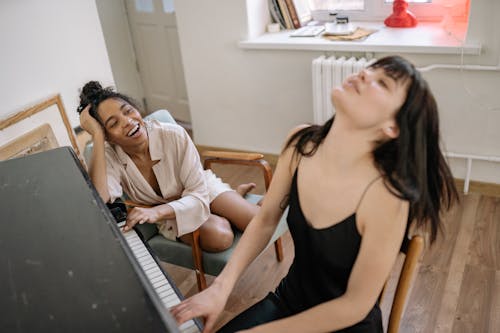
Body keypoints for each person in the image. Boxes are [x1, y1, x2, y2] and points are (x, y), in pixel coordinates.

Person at [171, 55, 459, 332]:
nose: (364, 74)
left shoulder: (387, 197)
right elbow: (266, 219)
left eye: (382, 83)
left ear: (393, 127)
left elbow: (355, 305)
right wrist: (220, 289)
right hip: (289, 302)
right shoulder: (300, 144)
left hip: (343, 325)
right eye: (370, 69)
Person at [77, 81, 259, 252]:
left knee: (257, 222)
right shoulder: (109, 154)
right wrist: (97, 136)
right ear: (108, 137)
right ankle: (233, 201)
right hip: (169, 212)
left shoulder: (173, 134)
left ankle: (232, 200)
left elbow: (197, 192)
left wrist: (156, 212)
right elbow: (99, 200)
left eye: (128, 111)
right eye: (113, 123)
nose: (127, 121)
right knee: (221, 237)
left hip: (198, 189)